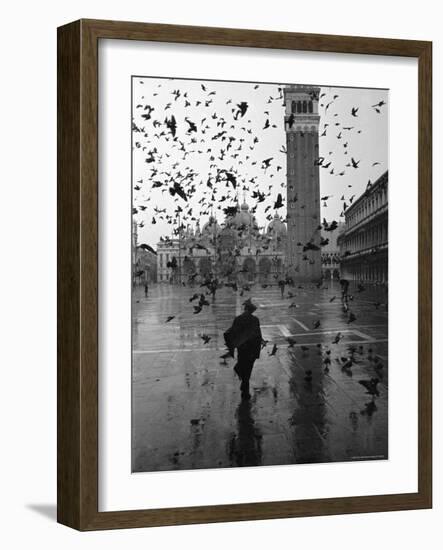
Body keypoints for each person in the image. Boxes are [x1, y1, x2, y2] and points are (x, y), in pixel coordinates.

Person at [224, 299, 262, 400]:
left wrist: (232, 346)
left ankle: (244, 387)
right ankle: (245, 391)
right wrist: (258, 350)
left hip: (242, 348)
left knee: (243, 366)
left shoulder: (238, 319)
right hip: (252, 349)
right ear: (251, 311)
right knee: (248, 369)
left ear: (245, 309)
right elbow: (258, 335)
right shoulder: (255, 320)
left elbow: (231, 333)